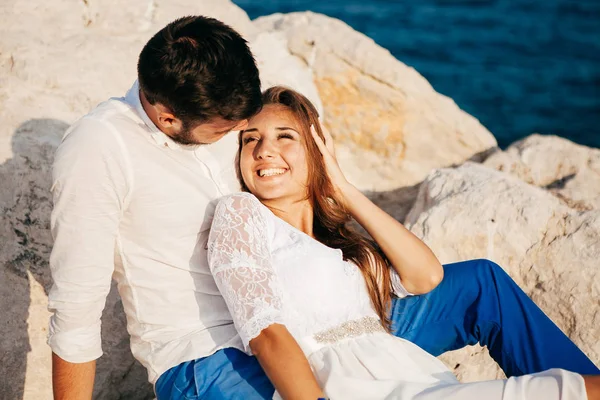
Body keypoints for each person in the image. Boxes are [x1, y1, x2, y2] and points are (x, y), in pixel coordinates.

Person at [46, 15, 599, 400]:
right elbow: (74, 311)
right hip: (214, 355)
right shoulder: (101, 149)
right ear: (168, 119)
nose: (247, 136)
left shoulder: (213, 97)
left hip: (317, 314)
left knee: (480, 283)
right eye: (232, 131)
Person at [206, 86, 600, 399]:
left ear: (318, 151)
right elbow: (266, 333)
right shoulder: (242, 213)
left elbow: (426, 276)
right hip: (357, 387)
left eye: (285, 136)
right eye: (250, 140)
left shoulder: (341, 246)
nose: (264, 150)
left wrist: (342, 188)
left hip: (412, 376)